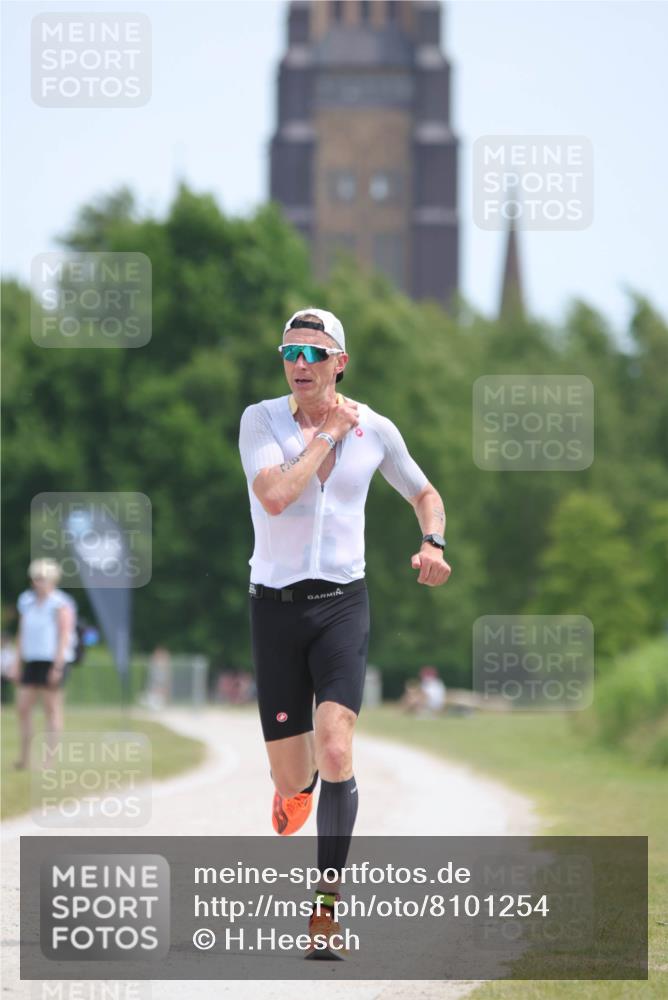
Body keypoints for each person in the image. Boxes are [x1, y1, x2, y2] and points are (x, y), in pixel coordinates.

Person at [238, 307, 451, 959]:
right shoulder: (262, 421)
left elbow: (425, 493)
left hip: (341, 605)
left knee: (336, 750)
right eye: (289, 353)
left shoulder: (376, 429)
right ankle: (291, 793)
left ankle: (326, 908)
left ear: (340, 363)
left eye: (312, 353)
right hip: (275, 609)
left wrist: (433, 542)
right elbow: (277, 496)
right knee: (292, 778)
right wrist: (329, 433)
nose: (298, 365)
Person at [13, 558, 77, 769]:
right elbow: (22, 634)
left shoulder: (61, 603)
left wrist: (57, 666)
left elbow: (64, 635)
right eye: (36, 578)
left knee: (51, 709)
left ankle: (49, 760)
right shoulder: (26, 601)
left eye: (43, 578)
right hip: (33, 659)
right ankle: (25, 757)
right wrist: (17, 661)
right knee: (23, 707)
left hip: (52, 660)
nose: (39, 582)